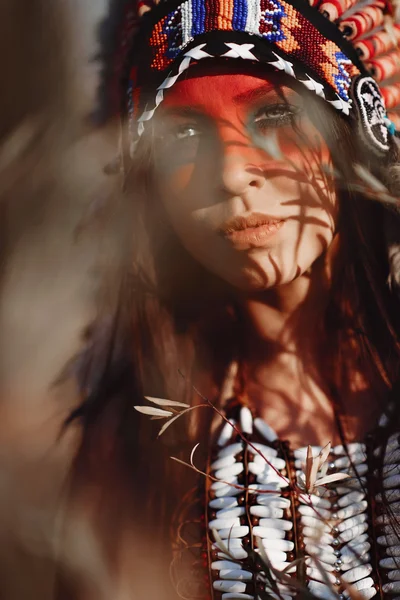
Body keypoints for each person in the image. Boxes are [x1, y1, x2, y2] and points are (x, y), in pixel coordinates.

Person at [62, 0, 400, 598]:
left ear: (357, 133)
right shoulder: (136, 442)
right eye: (185, 134)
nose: (230, 174)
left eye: (274, 115)